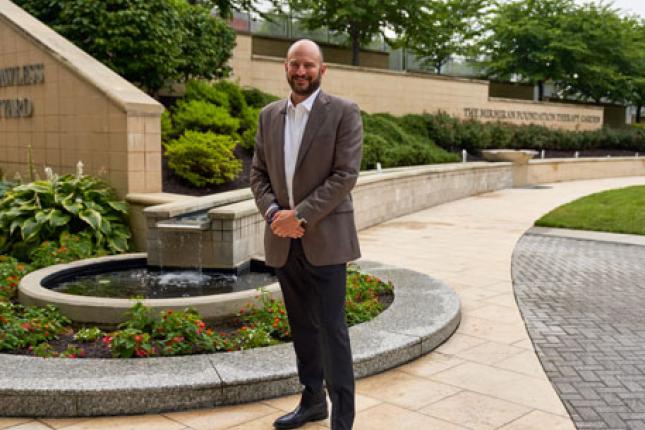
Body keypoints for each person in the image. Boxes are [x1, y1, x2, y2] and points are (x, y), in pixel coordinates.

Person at [250, 39, 363, 430]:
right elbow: (258, 174)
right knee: (302, 325)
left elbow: (345, 175)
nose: (301, 72)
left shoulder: (344, 112)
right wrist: (272, 213)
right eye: (295, 65)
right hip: (282, 240)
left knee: (332, 328)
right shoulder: (268, 115)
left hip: (326, 239)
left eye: (309, 66)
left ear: (322, 69)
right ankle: (313, 401)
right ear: (286, 67)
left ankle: (343, 420)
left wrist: (299, 216)